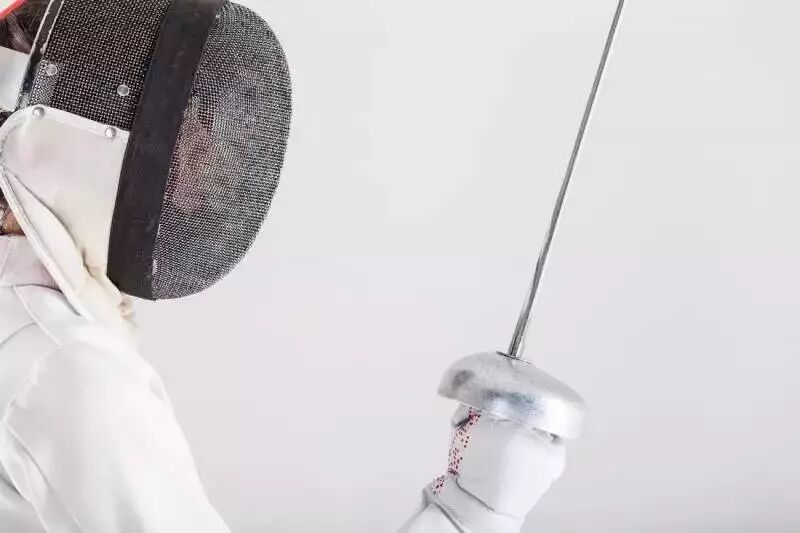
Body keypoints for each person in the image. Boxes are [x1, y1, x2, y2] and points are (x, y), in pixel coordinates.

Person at [0, 1, 570, 532]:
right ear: (63, 122)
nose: (207, 153)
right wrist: (473, 510)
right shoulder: (65, 371)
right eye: (181, 115)